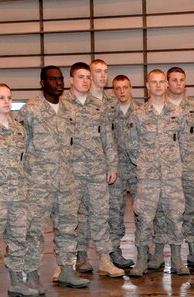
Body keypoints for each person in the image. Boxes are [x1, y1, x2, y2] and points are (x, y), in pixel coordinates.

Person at [18, 66, 90, 290]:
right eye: (52, 79)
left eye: (60, 79)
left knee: (69, 227)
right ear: (42, 83)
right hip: (39, 183)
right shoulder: (31, 110)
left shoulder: (70, 110)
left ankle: (67, 270)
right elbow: (19, 147)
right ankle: (31, 275)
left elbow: (76, 145)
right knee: (35, 231)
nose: (58, 83)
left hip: (66, 182)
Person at [0, 83, 39, 297]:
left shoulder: (19, 130)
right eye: (1, 98)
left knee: (18, 240)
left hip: (18, 197)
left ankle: (16, 283)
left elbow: (25, 162)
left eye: (9, 98)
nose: (6, 102)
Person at [127, 69, 189, 277]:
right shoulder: (138, 114)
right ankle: (142, 260)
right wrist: (146, 163)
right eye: (154, 82)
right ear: (147, 86)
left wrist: (174, 165)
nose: (159, 86)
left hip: (172, 177)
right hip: (148, 178)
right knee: (144, 218)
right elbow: (131, 145)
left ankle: (178, 260)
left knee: (175, 217)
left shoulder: (178, 113)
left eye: (162, 82)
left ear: (166, 85)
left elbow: (184, 143)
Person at [66, 62, 124, 278]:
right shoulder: (62, 106)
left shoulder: (98, 106)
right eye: (80, 77)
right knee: (71, 218)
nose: (85, 80)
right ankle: (72, 260)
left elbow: (107, 138)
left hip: (97, 171)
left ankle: (105, 260)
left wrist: (112, 165)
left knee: (101, 215)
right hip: (72, 172)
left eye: (87, 77)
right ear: (71, 79)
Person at [152, 67, 194, 269]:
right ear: (167, 83)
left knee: (191, 211)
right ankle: (158, 253)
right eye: (174, 80)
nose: (178, 83)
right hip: (165, 171)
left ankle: (193, 251)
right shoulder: (158, 108)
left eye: (181, 80)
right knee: (161, 211)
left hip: (189, 170)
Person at [106, 75, 138, 268]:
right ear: (113, 90)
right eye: (117, 88)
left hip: (137, 167)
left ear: (130, 88)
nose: (122, 92)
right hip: (116, 168)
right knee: (115, 210)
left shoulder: (142, 110)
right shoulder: (109, 112)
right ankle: (115, 251)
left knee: (142, 209)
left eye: (125, 87)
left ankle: (144, 250)